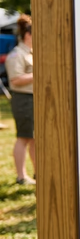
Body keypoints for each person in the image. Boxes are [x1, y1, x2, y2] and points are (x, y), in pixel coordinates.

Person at [6, 14, 35, 185]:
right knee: (23, 138)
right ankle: (21, 176)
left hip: (31, 99)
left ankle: (38, 172)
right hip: (23, 99)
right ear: (28, 35)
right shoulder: (17, 55)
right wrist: (37, 74)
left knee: (34, 139)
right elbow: (15, 80)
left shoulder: (30, 53)